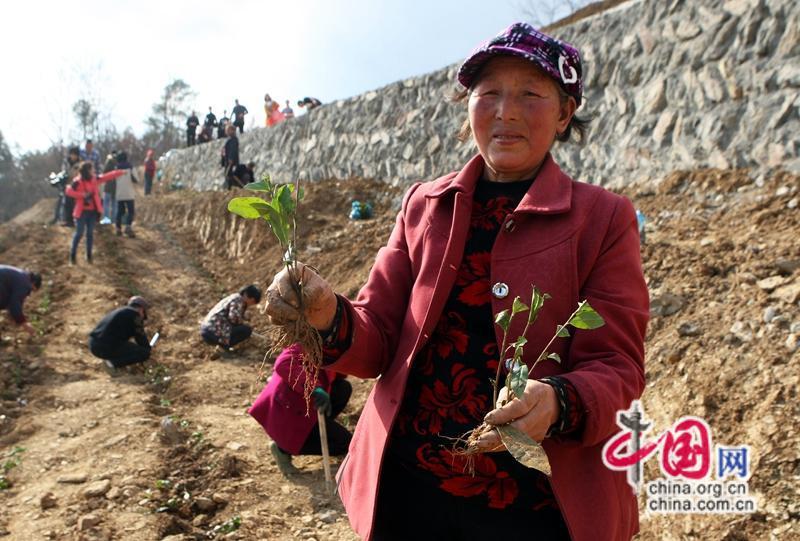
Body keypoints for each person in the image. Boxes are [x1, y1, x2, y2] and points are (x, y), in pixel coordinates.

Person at [264, 22, 648, 541]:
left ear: (564, 114)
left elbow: (617, 367)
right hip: (408, 491)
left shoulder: (602, 219)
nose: (505, 111)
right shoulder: (425, 205)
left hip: (533, 509)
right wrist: (327, 315)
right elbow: (378, 336)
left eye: (530, 95)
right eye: (488, 93)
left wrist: (557, 401)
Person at [249, 344, 352, 475]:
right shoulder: (307, 341)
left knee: (342, 388)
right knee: (344, 443)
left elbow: (333, 371)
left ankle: (317, 429)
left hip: (306, 406)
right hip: (287, 411)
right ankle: (283, 449)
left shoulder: (330, 345)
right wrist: (314, 388)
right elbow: (283, 363)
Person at [65, 161, 125, 264]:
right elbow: (69, 191)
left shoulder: (94, 180)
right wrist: (83, 195)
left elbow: (107, 176)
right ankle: (73, 255)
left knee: (90, 234)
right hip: (81, 212)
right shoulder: (77, 182)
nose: (94, 171)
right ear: (87, 170)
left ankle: (89, 256)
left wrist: (120, 172)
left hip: (92, 211)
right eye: (92, 169)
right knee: (79, 233)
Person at [89, 296, 152, 369]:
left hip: (94, 344)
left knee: (130, 348)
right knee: (144, 353)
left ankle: (115, 364)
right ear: (141, 310)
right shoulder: (135, 315)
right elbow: (140, 337)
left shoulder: (121, 312)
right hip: (105, 346)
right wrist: (147, 350)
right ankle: (111, 364)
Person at [200, 285, 261, 350]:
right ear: (246, 295)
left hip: (208, 329)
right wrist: (242, 322)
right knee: (246, 330)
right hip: (213, 331)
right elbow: (233, 318)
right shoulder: (238, 300)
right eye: (252, 301)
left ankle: (223, 345)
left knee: (243, 328)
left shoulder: (234, 298)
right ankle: (224, 346)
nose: (251, 304)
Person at [0, 266, 41, 336]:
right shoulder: (25, 284)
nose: (29, 293)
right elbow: (14, 303)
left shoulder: (21, 276)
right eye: (32, 290)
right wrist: (24, 323)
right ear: (33, 283)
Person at [114, 152, 138, 238]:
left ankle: (118, 228)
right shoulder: (130, 167)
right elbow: (136, 180)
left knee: (120, 211)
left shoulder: (116, 168)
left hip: (119, 193)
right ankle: (128, 227)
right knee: (131, 211)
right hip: (129, 193)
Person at [61, 147, 81, 226]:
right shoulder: (66, 162)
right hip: (68, 184)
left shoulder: (80, 162)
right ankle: (67, 220)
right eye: (72, 154)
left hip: (77, 184)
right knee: (66, 203)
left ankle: (76, 219)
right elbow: (64, 172)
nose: (73, 156)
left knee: (76, 203)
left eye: (75, 155)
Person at [99, 151, 118, 225]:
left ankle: (106, 219)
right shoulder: (118, 161)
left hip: (108, 186)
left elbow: (104, 172)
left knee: (106, 203)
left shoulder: (109, 161)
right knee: (114, 204)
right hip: (116, 186)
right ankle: (114, 220)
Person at [222, 124, 240, 190]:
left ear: (232, 130)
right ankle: (229, 187)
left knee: (229, 174)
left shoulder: (234, 140)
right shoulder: (230, 140)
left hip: (231, 161)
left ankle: (230, 187)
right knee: (228, 174)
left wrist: (231, 158)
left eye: (228, 130)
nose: (226, 131)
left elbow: (233, 149)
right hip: (228, 160)